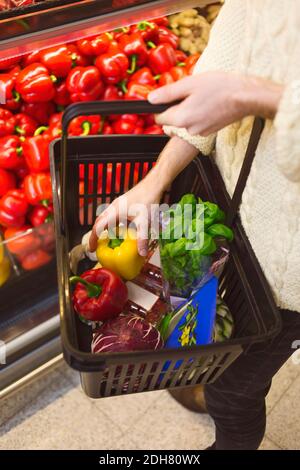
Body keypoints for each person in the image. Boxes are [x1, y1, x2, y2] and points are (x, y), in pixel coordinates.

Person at [89, 0, 300, 450]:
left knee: (234, 396)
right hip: (217, 210)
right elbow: (223, 65)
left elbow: (239, 91)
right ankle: (199, 369)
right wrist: (155, 181)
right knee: (198, 324)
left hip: (290, 275)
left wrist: (260, 97)